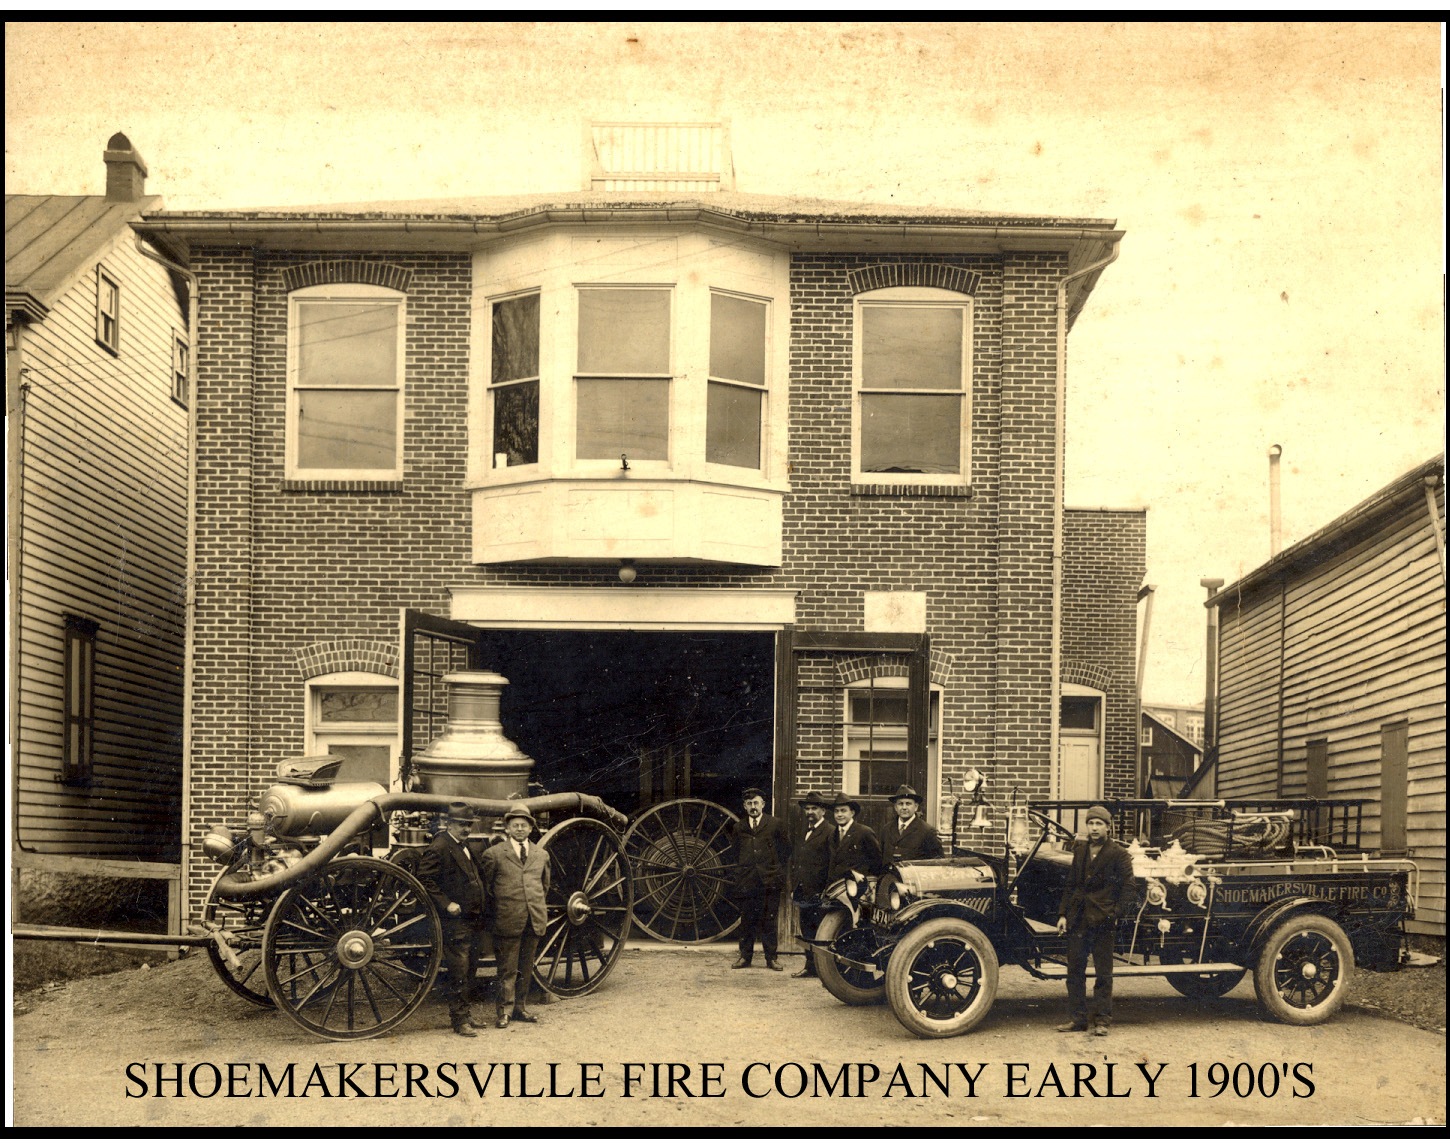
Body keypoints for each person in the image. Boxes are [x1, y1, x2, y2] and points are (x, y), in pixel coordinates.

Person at [1055, 805, 1136, 1038]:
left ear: (1108, 827)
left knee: (1104, 973)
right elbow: (1071, 885)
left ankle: (1102, 1020)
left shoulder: (1118, 853)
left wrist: (1115, 913)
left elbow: (1129, 887)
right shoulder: (1080, 851)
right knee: (1075, 971)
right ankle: (1078, 1019)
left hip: (1103, 920)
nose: (1094, 828)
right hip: (1079, 919)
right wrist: (1063, 915)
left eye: (1099, 824)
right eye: (1091, 823)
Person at [417, 801, 488, 1037]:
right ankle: (459, 1021)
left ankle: (466, 1015)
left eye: (468, 824)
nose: (465, 829)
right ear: (449, 824)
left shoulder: (465, 846)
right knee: (459, 970)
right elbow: (424, 879)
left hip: (472, 918)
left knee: (470, 970)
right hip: (454, 921)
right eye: (461, 825)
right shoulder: (440, 846)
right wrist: (447, 903)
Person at [481, 803, 551, 1029]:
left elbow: (544, 886)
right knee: (507, 969)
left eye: (524, 825)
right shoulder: (494, 854)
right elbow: (488, 889)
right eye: (515, 825)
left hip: (534, 918)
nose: (520, 829)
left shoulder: (541, 854)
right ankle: (504, 1012)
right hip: (508, 918)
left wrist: (533, 906)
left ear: (531, 828)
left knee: (526, 967)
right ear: (508, 829)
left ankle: (520, 1008)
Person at [729, 786, 791, 971]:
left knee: (769, 920)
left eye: (756, 802)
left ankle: (771, 958)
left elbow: (785, 850)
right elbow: (735, 853)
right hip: (747, 881)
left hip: (769, 881)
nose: (753, 807)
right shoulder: (738, 827)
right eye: (749, 803)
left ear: (763, 804)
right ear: (744, 806)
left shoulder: (775, 824)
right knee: (747, 920)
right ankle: (745, 957)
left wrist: (773, 869)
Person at [790, 791, 834, 978]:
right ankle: (810, 966)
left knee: (820, 930)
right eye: (807, 808)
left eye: (814, 808)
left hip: (819, 890)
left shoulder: (830, 831)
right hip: (803, 890)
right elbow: (797, 861)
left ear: (823, 810)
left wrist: (826, 890)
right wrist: (794, 887)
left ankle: (823, 969)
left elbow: (832, 863)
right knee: (806, 929)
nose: (810, 812)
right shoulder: (803, 831)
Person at [879, 783, 944, 863]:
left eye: (908, 804)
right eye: (900, 804)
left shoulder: (927, 831)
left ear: (916, 807)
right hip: (888, 875)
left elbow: (937, 863)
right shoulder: (886, 829)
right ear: (895, 807)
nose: (904, 807)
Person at [827, 792, 883, 882]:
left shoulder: (865, 832)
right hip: (836, 888)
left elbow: (877, 862)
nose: (839, 814)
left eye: (843, 810)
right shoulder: (832, 834)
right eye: (836, 811)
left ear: (852, 813)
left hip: (857, 888)